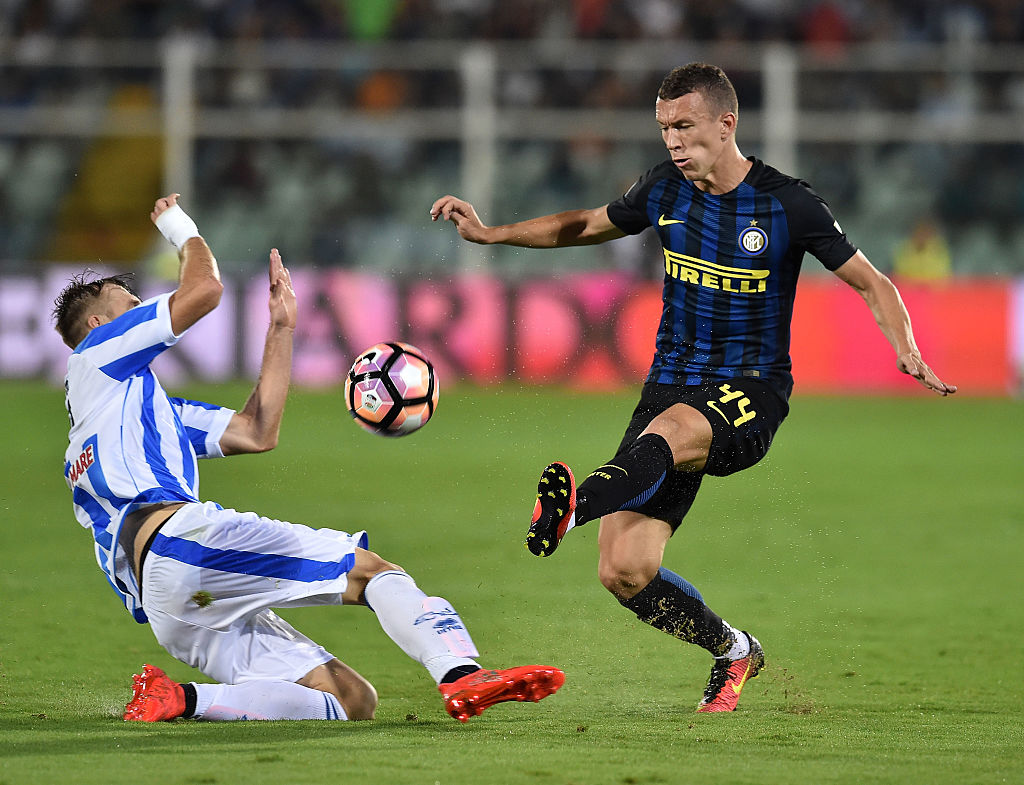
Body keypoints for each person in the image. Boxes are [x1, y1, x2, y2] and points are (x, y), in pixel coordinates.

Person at [430, 62, 956, 713]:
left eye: (684, 125)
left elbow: (874, 281)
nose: (673, 140)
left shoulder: (788, 203)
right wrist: (491, 233)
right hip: (669, 384)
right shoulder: (663, 191)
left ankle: (574, 505)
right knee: (624, 570)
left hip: (751, 392)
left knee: (668, 430)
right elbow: (585, 224)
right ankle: (735, 649)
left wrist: (905, 346)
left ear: (725, 123)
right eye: (664, 128)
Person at [54, 194, 564, 723]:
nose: (140, 308)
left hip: (167, 604)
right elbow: (203, 290)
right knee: (371, 574)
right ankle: (462, 675)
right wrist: (179, 228)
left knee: (350, 701)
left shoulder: (124, 410)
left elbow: (256, 432)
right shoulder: (96, 354)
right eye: (126, 302)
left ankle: (181, 699)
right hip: (180, 544)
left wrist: (282, 328)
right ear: (97, 325)